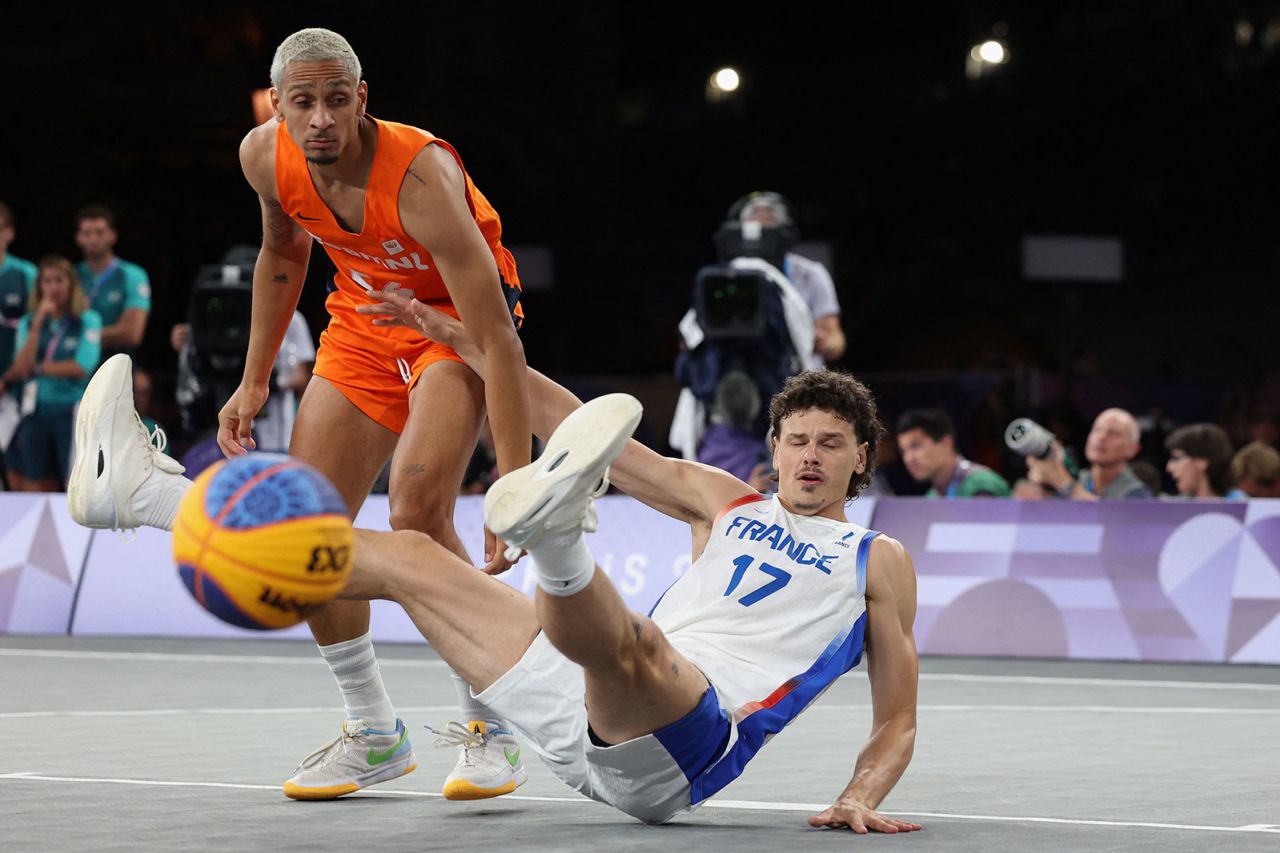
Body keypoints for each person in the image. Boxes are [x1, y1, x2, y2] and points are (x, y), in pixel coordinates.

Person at [73, 335, 923, 833]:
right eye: (798, 439)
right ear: (773, 448)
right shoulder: (720, 498)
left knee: (639, 642)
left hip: (685, 742)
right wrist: (473, 339)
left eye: (832, 443)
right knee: (409, 557)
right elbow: (589, 426)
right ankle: (145, 496)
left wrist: (859, 794)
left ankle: (558, 538)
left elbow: (897, 717)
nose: (811, 455)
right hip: (573, 699)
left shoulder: (876, 559)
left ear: (859, 457)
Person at [68, 27, 533, 801]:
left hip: (450, 325)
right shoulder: (264, 157)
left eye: (335, 100)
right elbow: (284, 256)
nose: (320, 118)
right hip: (361, 321)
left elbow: (497, 338)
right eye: (303, 102)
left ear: (361, 100)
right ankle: (374, 733)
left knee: (418, 513)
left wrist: (517, 484)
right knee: (309, 524)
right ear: (277, 105)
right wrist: (254, 381)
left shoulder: (421, 180)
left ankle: (492, 726)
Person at [1, 257, 101, 491]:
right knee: (35, 482)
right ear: (39, 287)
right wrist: (37, 325)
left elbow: (81, 366)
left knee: (75, 484)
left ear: (71, 284)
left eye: (59, 280)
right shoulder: (29, 322)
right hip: (35, 411)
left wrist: (38, 368)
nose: (53, 287)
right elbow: (21, 367)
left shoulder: (88, 319)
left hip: (72, 412)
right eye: (47, 281)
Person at [734, 192, 846, 363]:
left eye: (768, 232)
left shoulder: (811, 274)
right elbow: (690, 338)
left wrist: (814, 340)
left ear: (785, 235)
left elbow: (835, 339)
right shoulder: (728, 276)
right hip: (748, 377)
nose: (760, 240)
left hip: (801, 379)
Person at [73, 205, 151, 361]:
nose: (93, 239)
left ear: (113, 235)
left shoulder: (132, 275)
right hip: (75, 366)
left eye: (99, 232)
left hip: (115, 360)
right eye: (87, 233)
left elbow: (132, 333)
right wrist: (112, 332)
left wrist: (82, 334)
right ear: (78, 238)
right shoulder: (71, 276)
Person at [1026, 407, 1154, 500]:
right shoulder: (1079, 479)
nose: (1101, 437)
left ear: (1133, 449)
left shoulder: (1137, 494)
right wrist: (1043, 488)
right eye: (1097, 430)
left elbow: (1107, 522)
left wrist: (1062, 483)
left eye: (1113, 433)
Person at [896, 408, 1011, 497]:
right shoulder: (932, 496)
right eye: (903, 451)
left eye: (916, 446)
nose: (908, 458)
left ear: (946, 442)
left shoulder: (981, 484)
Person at [1165, 423, 1238, 499]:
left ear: (1202, 461)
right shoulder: (1175, 507)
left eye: (1176, 458)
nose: (1169, 467)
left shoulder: (1245, 506)